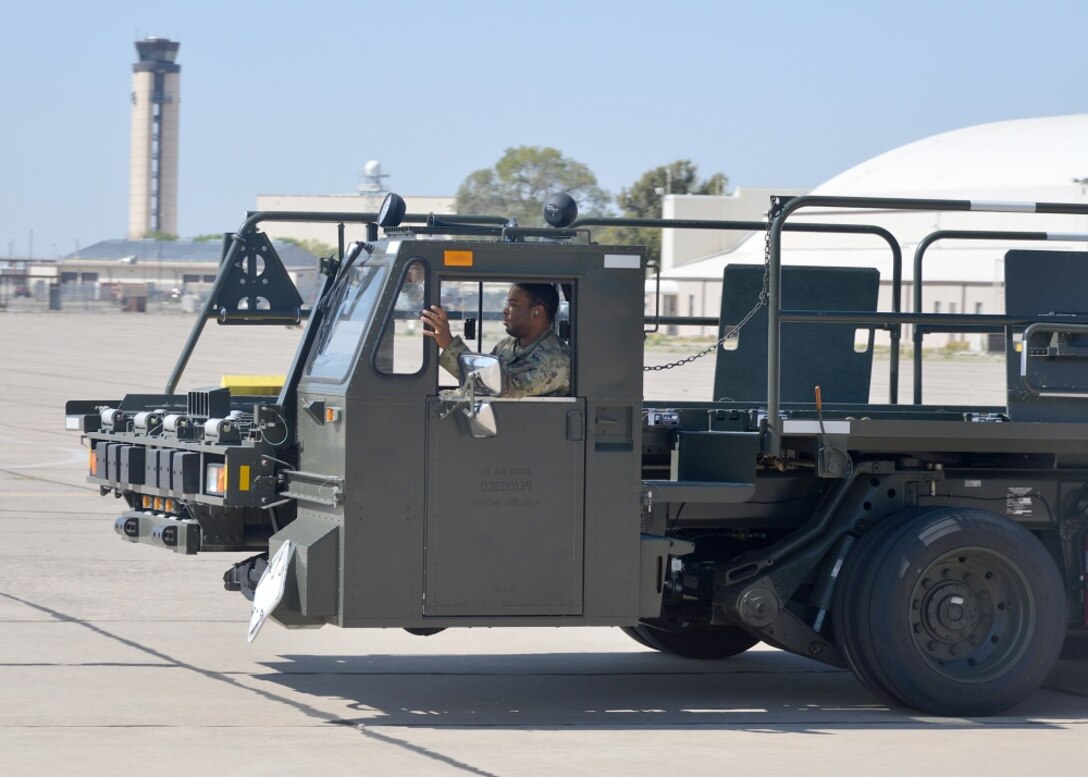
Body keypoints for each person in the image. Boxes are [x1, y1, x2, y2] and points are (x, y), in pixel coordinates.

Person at [421, 283, 571, 397]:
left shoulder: (554, 360)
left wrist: (448, 343)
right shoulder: (507, 345)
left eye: (513, 305)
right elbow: (479, 383)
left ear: (536, 312)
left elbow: (498, 388)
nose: (505, 311)